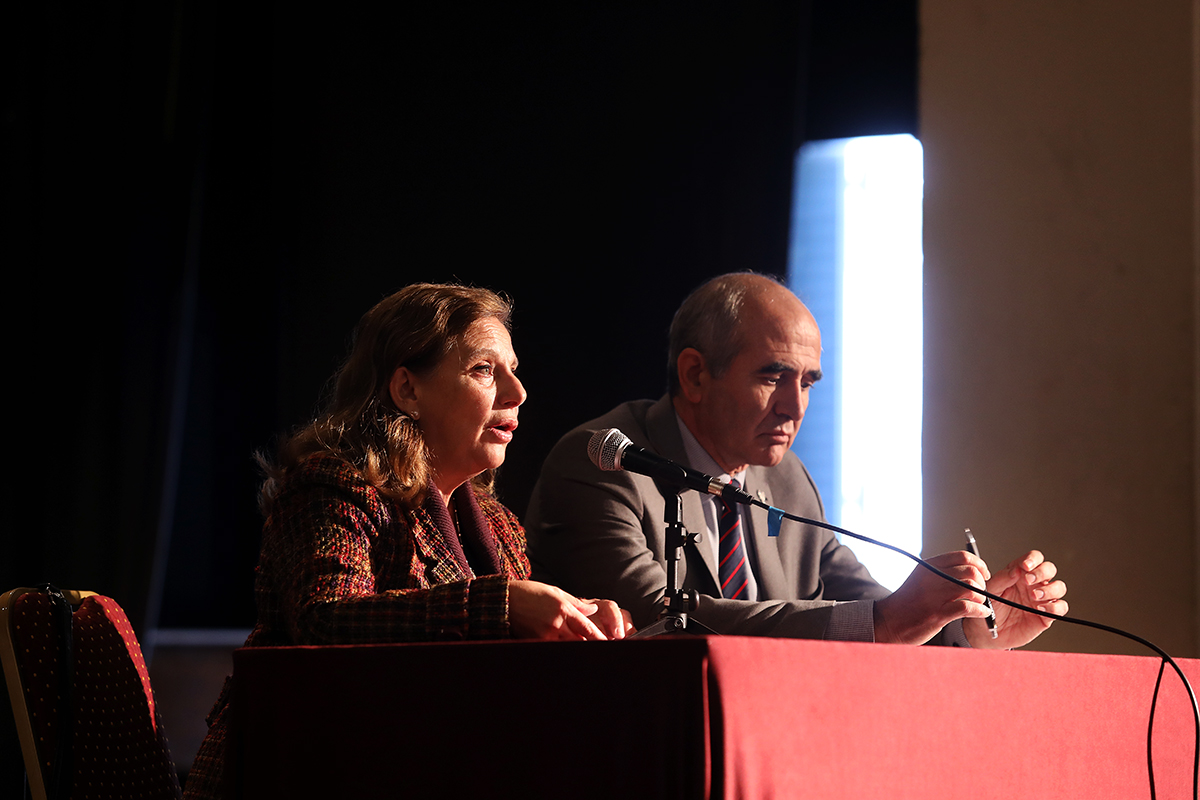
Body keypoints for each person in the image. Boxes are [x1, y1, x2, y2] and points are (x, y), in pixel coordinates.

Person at [184, 283, 632, 800]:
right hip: (308, 768)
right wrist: (503, 605)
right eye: (484, 370)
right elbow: (324, 620)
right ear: (408, 390)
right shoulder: (333, 486)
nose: (517, 392)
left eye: (513, 368)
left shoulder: (500, 525)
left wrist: (578, 624)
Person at [525, 272, 1067, 647]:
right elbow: (657, 621)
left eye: (808, 382)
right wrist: (885, 622)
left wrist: (970, 625)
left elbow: (867, 601)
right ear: (695, 375)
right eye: (772, 376)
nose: (796, 406)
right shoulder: (604, 463)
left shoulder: (785, 479)